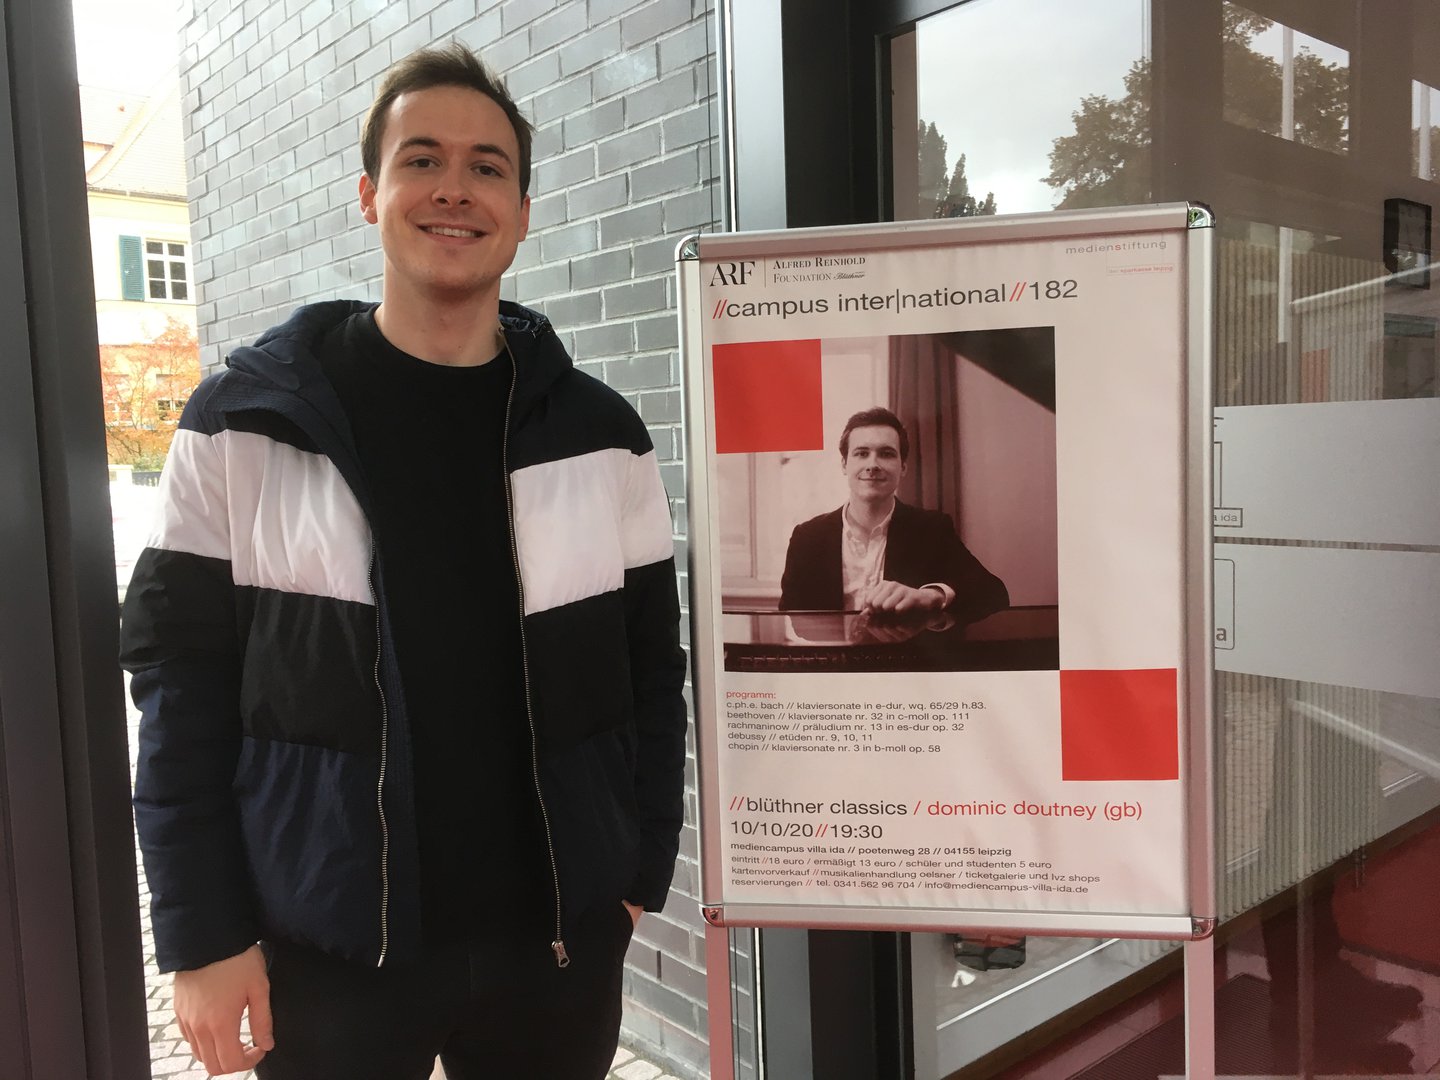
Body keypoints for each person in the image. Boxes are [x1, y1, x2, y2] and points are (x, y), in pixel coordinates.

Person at [119, 44, 687, 1080]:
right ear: (369, 193)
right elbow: (177, 686)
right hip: (324, 950)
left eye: (487, 167)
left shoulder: (603, 435)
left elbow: (652, 669)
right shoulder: (243, 426)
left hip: (553, 951)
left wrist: (639, 868)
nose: (454, 189)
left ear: (523, 211)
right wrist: (201, 934)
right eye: (422, 159)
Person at [778, 406, 1008, 621]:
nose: (873, 464)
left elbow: (993, 594)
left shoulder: (933, 529)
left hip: (905, 653)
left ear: (903, 467)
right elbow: (789, 619)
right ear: (844, 465)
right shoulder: (807, 537)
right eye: (861, 453)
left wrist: (932, 596)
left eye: (886, 454)